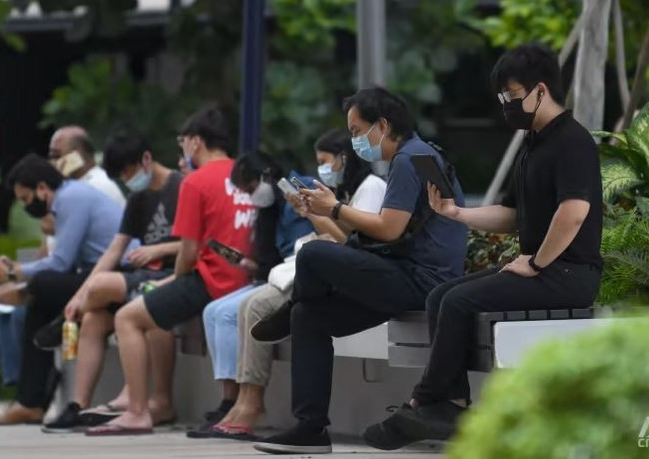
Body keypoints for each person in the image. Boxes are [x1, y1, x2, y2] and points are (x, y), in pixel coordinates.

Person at [362, 44, 603, 450]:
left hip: (569, 274)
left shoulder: (572, 141)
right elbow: (512, 214)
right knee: (441, 295)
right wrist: (457, 213)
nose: (506, 106)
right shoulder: (533, 144)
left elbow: (574, 212)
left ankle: (427, 401)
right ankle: (449, 403)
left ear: (540, 90)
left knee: (457, 302)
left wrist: (538, 261)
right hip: (545, 268)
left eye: (511, 96)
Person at [252, 88, 468, 454]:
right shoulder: (420, 154)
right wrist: (325, 209)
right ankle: (311, 429)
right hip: (405, 273)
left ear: (382, 125)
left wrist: (333, 207)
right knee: (309, 316)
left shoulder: (409, 158)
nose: (354, 141)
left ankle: (290, 308)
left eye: (356, 131)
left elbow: (389, 228)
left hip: (421, 280)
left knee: (313, 256)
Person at [203, 128, 386, 440]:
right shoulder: (341, 192)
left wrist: (314, 212)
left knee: (266, 307)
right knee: (279, 311)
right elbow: (341, 238)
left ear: (343, 158)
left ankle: (253, 402)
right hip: (306, 271)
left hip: (340, 275)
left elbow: (349, 244)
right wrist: (313, 213)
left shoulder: (368, 188)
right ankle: (243, 401)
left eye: (325, 162)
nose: (321, 170)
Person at [84, 107, 256, 436]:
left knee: (127, 318)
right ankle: (159, 403)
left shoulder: (196, 182)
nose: (182, 150)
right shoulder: (245, 175)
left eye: (183, 143)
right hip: (246, 280)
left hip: (212, 280)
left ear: (195, 142)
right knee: (152, 313)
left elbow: (189, 252)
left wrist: (174, 279)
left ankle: (136, 411)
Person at [39, 132, 184, 433]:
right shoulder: (137, 198)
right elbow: (115, 250)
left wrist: (159, 249)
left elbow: (199, 244)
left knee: (104, 289)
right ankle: (78, 405)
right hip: (143, 275)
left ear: (146, 159)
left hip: (171, 274)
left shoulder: (181, 186)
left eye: (127, 171)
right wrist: (79, 296)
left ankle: (140, 399)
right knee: (92, 317)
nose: (126, 179)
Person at [0, 154, 123, 426]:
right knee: (40, 295)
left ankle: (31, 399)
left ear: (42, 188)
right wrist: (17, 273)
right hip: (94, 276)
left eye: (25, 199)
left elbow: (60, 262)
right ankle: (30, 401)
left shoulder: (72, 198)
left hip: (120, 275)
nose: (26, 206)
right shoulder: (66, 200)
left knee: (42, 286)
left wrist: (12, 273)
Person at [186, 153, 313, 439]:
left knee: (245, 308)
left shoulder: (299, 189)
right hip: (280, 273)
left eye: (251, 188)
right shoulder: (270, 208)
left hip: (303, 271)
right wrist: (247, 263)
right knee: (214, 310)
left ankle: (249, 402)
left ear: (266, 176)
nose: (251, 197)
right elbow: (274, 259)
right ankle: (235, 399)